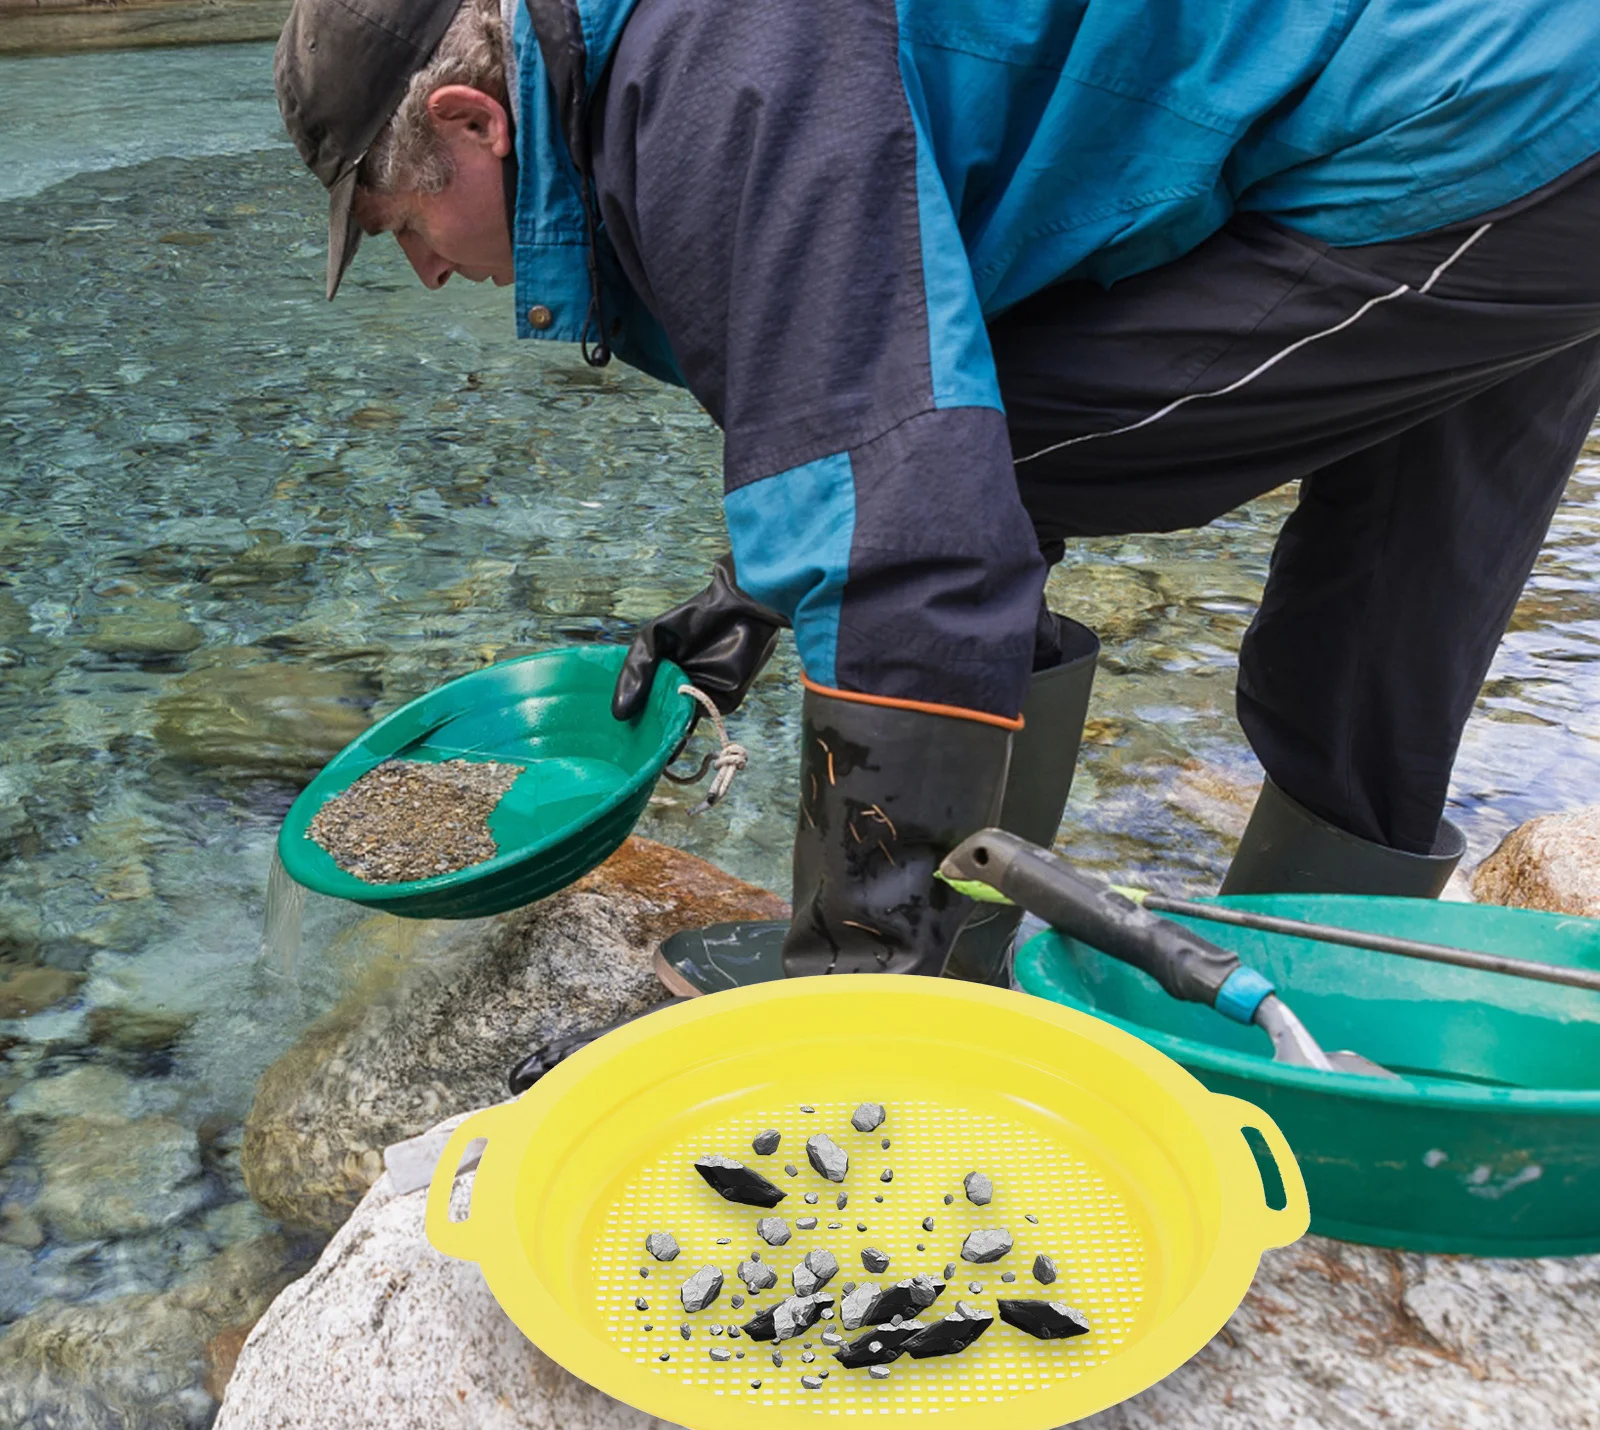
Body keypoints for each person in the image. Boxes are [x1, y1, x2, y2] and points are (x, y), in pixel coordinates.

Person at [276, 0, 1600, 995]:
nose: (429, 274)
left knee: (961, 470)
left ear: (470, 123)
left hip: (1476, 117)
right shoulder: (666, 56)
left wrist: (843, 984)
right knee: (1405, 582)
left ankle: (918, 979)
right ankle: (1319, 1020)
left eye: (403, 228)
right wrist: (749, 600)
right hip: (1539, 78)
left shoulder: (715, 80)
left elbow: (908, 508)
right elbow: (899, 346)